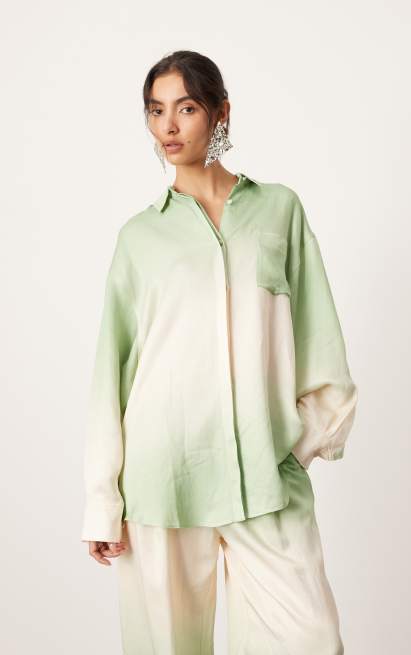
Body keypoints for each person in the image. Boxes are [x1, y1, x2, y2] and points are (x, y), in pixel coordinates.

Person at [81, 49, 358, 655]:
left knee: (312, 638)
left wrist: (289, 447)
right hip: (162, 480)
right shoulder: (139, 237)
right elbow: (111, 375)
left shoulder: (278, 209)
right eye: (156, 111)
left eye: (185, 108)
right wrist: (103, 501)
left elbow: (320, 342)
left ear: (220, 112)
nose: (168, 126)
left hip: (265, 478)